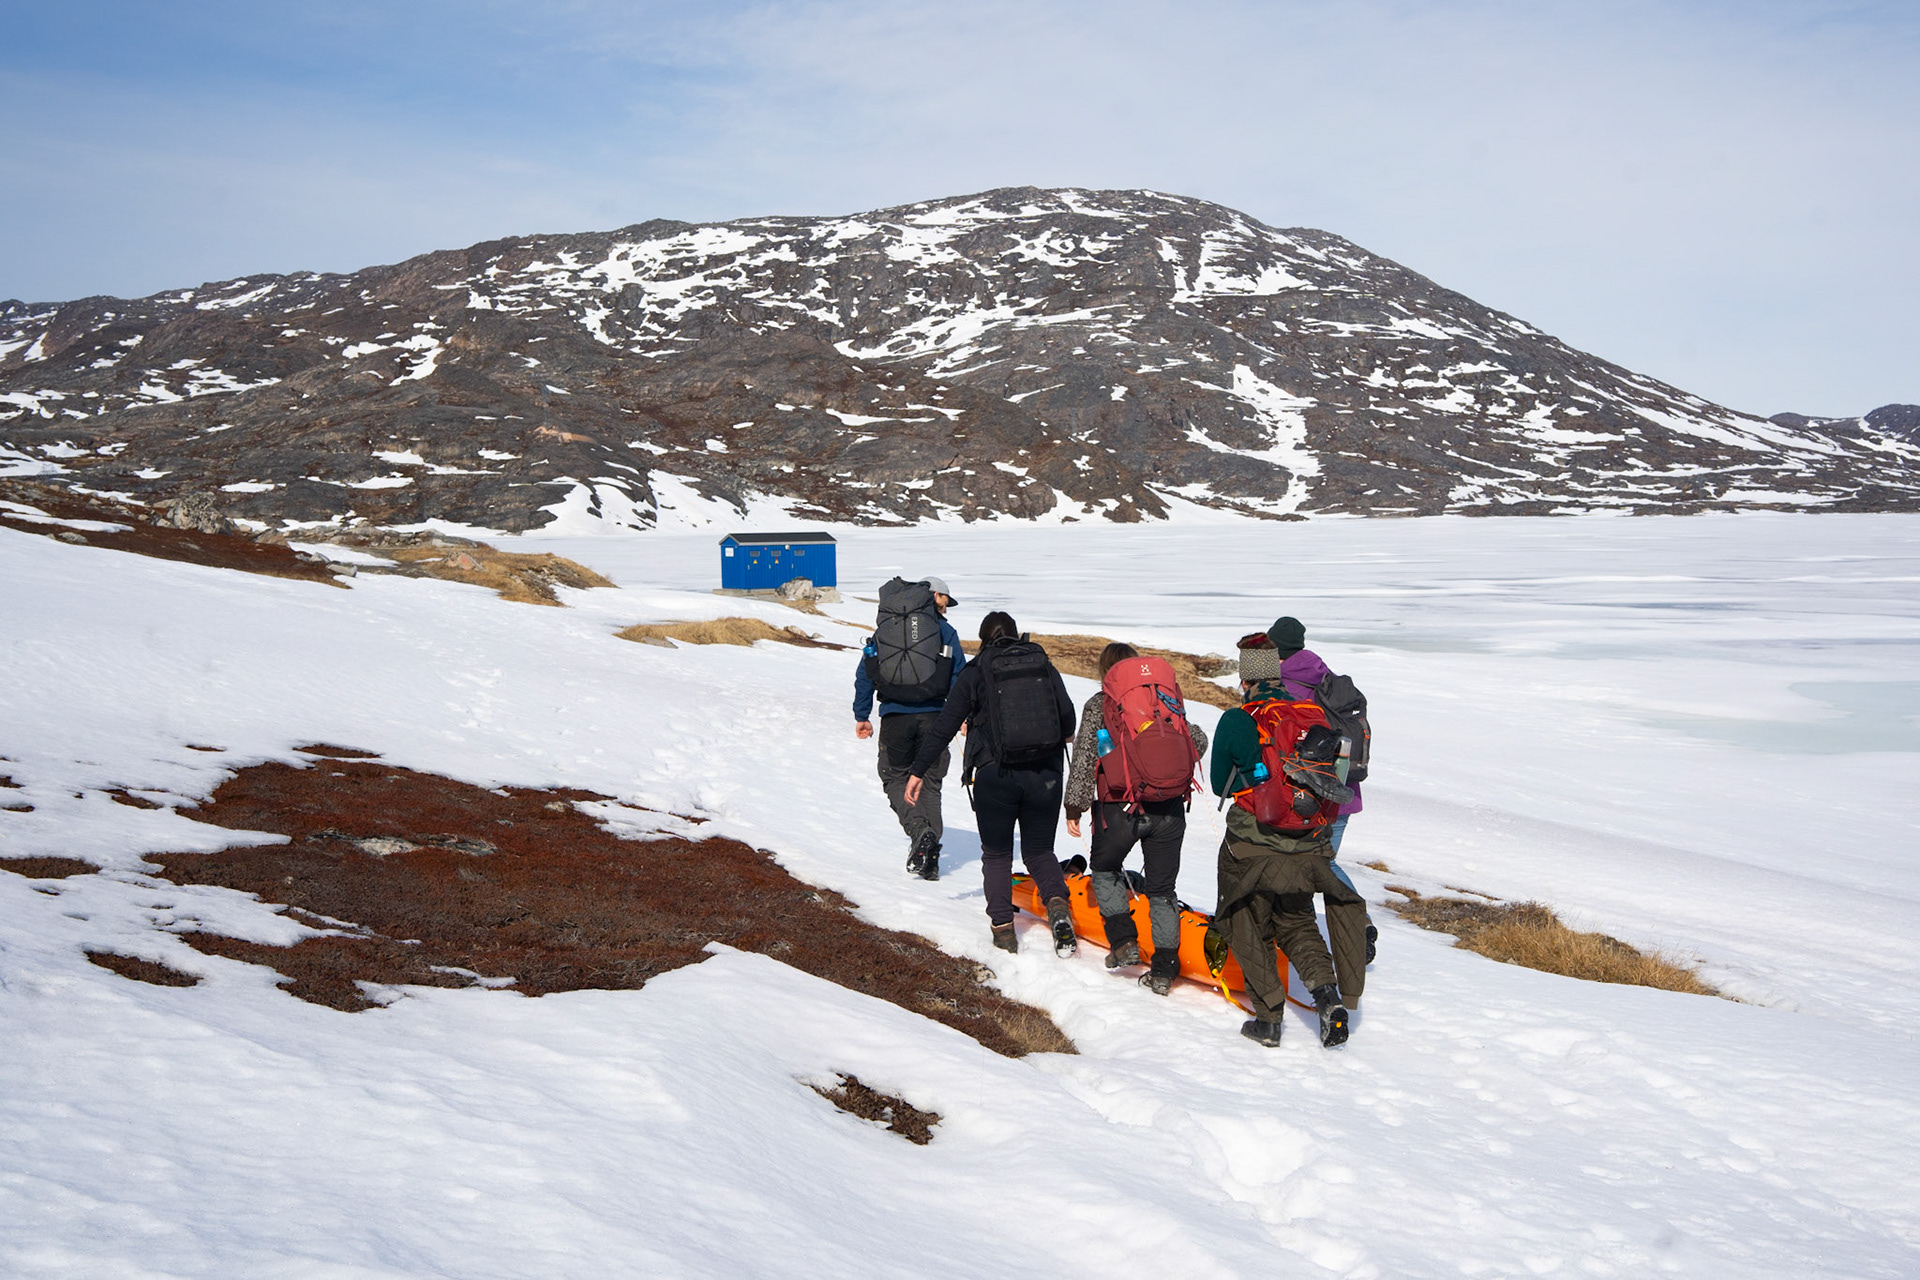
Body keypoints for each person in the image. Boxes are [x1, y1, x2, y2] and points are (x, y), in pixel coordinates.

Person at [1209, 632, 1371, 1049]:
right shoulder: (1312, 713)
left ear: (1245, 678)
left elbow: (1216, 785)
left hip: (1252, 845)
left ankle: (1268, 1020)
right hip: (1308, 843)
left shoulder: (1238, 718)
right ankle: (1328, 998)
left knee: (1248, 920)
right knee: (1297, 921)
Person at [903, 612, 1079, 956]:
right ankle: (1058, 907)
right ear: (1016, 635)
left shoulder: (976, 671)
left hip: (994, 776)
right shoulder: (1041, 663)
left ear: (983, 639)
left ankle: (1003, 932)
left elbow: (945, 725)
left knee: (997, 855)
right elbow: (1068, 717)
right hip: (1045, 775)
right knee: (1040, 852)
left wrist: (918, 771)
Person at [1064, 642, 1209, 995]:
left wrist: (1075, 807)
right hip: (1170, 808)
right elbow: (1199, 741)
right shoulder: (1163, 701)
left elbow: (1084, 758)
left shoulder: (1100, 705)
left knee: (1105, 868)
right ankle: (1163, 970)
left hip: (1119, 807)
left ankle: (1124, 942)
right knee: (1162, 889)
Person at [1266, 615, 1378, 962]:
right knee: (1322, 863)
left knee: (1301, 863)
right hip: (1343, 795)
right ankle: (1357, 925)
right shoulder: (1325, 678)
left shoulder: (1288, 688)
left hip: (1310, 799)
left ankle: (1352, 924)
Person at [854, 576, 965, 880]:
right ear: (934, 598)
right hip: (936, 720)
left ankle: (920, 832)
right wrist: (963, 715)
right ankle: (930, 855)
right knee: (930, 783)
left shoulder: (885, 631)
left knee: (895, 779)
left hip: (894, 718)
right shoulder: (944, 631)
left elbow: (866, 673)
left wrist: (861, 714)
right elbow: (960, 677)